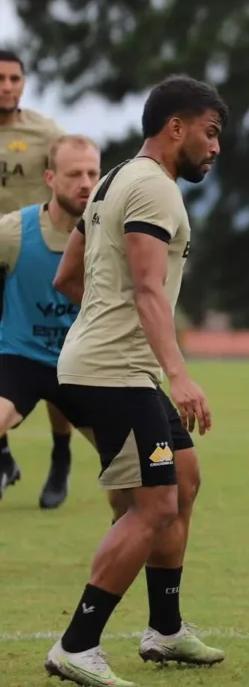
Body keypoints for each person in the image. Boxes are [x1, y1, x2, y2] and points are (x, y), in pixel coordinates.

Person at [43, 75, 228, 687]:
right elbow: (148, 290)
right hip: (116, 373)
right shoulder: (154, 191)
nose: (214, 147)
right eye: (210, 132)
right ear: (175, 127)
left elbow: (69, 278)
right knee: (152, 505)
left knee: (184, 477)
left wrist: (107, 321)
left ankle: (166, 630)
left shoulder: (113, 181)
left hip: (116, 366)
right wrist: (179, 375)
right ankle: (77, 645)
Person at [0, 48, 86, 508]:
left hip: (36, 257)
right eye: (1, 78)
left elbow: (74, 180)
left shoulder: (44, 133)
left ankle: (61, 456)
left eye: (14, 78)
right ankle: (4, 455)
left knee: (52, 355)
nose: (8, 86)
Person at [0, 136, 104, 501]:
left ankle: (62, 461)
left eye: (93, 173)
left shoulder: (112, 238)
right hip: (21, 357)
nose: (86, 183)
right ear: (50, 178)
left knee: (133, 465)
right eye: (75, 173)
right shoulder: (13, 232)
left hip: (81, 362)